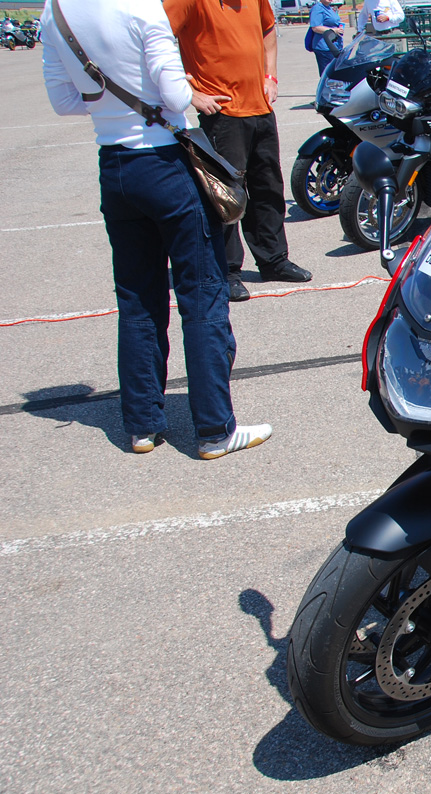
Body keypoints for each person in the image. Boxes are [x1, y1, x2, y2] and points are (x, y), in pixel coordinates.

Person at [40, 0, 272, 460]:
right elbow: (175, 94)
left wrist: (107, 97)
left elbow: (63, 101)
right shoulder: (141, 8)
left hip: (115, 165)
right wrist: (174, 92)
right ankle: (214, 429)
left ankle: (143, 425)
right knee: (202, 296)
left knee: (137, 299)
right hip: (164, 163)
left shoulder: (55, 13)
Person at [165, 0, 312, 303]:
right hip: (222, 113)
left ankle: (273, 260)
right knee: (226, 196)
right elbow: (156, 42)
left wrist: (270, 77)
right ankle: (228, 270)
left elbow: (268, 29)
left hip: (260, 108)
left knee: (268, 187)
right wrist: (189, 93)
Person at [307, 0, 344, 76]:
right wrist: (334, 30)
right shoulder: (317, 8)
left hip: (334, 46)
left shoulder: (329, 8)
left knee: (335, 73)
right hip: (324, 47)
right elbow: (315, 27)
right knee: (327, 74)